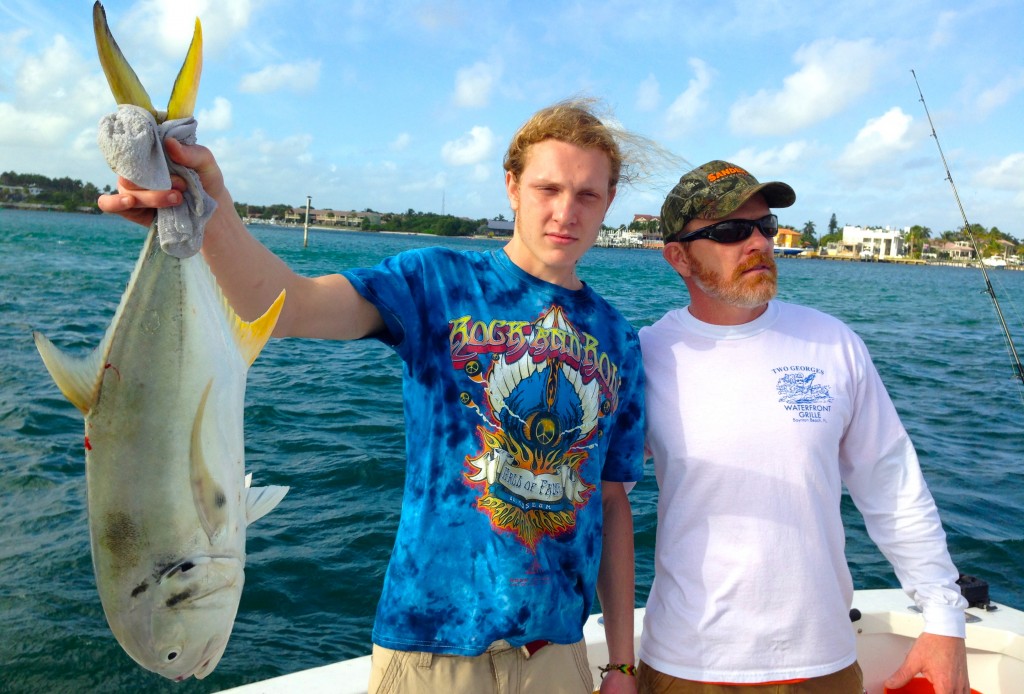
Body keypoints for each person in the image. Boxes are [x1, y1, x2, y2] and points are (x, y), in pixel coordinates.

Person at [98, 100, 646, 694]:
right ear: (511, 187)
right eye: (548, 188)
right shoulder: (435, 283)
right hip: (428, 650)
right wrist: (207, 209)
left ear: (609, 203)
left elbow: (612, 505)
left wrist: (619, 662)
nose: (566, 212)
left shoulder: (618, 338)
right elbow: (286, 305)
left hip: (557, 653)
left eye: (588, 195)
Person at [636, 160, 970, 694]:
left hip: (824, 662)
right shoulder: (645, 357)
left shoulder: (832, 343)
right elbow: (600, 497)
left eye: (764, 227)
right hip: (687, 664)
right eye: (729, 231)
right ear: (678, 256)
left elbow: (892, 485)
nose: (758, 243)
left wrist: (945, 617)